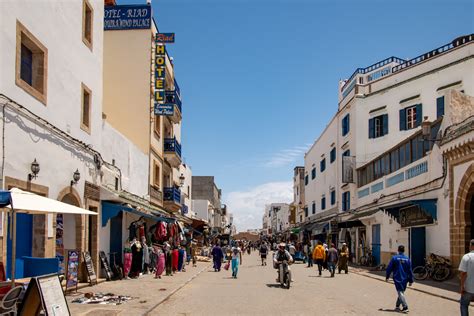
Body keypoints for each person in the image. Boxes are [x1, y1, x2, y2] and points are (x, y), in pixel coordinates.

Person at [385, 245, 413, 313]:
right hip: (405, 278)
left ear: (398, 250)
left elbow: (389, 268)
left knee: (400, 292)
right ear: (404, 250)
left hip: (397, 277)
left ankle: (405, 307)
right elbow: (410, 270)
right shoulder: (407, 259)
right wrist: (410, 280)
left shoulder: (394, 258)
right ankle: (397, 306)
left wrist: (387, 277)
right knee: (401, 292)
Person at [459, 239, 474, 316]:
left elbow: (463, 273)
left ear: (471, 246)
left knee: (464, 305)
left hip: (468, 289)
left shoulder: (466, 257)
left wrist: (461, 287)